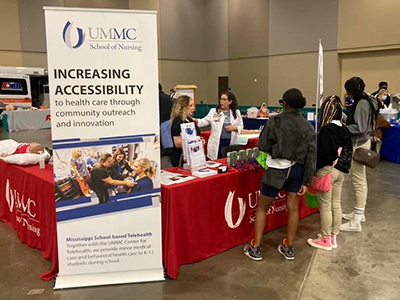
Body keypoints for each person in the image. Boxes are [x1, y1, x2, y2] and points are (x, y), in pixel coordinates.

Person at [243, 88, 316, 261]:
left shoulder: (275, 121)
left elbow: (262, 145)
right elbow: (311, 155)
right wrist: (306, 181)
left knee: (262, 207)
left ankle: (256, 248)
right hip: (297, 170)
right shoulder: (307, 126)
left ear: (285, 104)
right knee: (293, 209)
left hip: (276, 169)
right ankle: (288, 247)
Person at [307, 95, 353, 250]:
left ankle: (325, 238)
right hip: (340, 171)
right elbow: (348, 152)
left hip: (327, 171)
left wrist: (314, 170)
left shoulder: (326, 130)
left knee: (325, 206)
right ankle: (333, 235)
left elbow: (323, 154)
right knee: (336, 203)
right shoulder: (345, 129)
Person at [341, 77, 378, 232]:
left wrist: (341, 128)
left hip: (359, 145)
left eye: (348, 91)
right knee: (359, 179)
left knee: (359, 181)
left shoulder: (362, 103)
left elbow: (360, 127)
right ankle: (358, 213)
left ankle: (356, 220)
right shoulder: (368, 99)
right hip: (361, 143)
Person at [194, 91, 244, 160]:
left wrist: (234, 128)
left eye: (224, 99)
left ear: (230, 102)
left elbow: (241, 126)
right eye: (221, 99)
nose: (221, 101)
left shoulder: (236, 112)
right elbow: (204, 121)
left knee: (229, 161)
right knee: (217, 161)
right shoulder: (214, 111)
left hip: (231, 142)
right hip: (217, 142)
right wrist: (196, 121)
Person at [169, 95, 201, 167]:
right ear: (183, 108)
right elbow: (178, 143)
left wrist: (199, 141)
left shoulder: (190, 120)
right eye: (190, 106)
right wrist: (196, 143)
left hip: (193, 155)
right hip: (181, 158)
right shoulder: (177, 121)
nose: (193, 108)